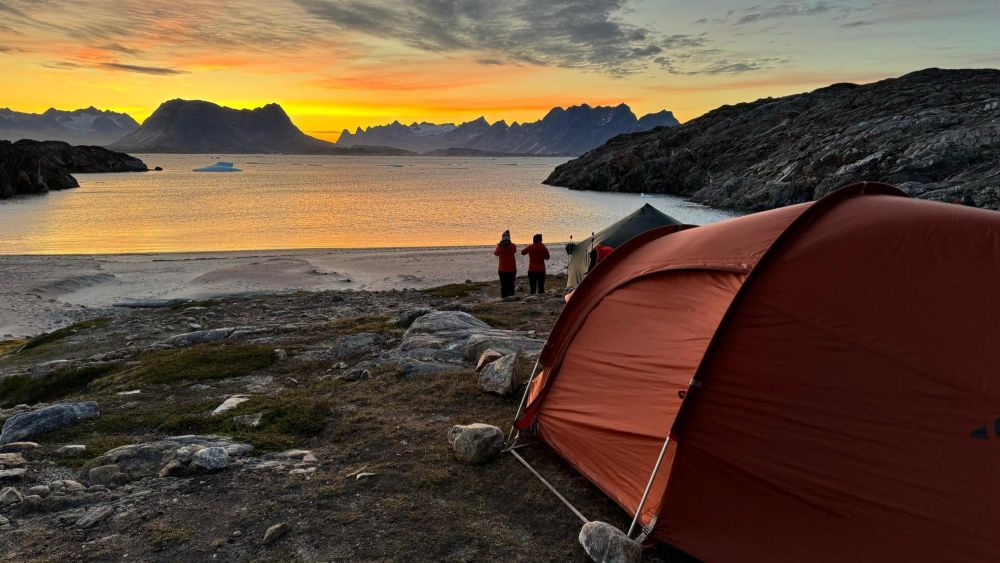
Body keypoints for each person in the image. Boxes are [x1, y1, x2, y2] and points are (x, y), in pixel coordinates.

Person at [494, 230, 517, 298]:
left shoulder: (500, 247)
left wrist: (500, 244)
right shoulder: (513, 246)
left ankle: (504, 297)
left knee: (503, 285)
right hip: (512, 269)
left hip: (502, 269)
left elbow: (495, 253)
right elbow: (514, 251)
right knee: (511, 284)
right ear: (509, 238)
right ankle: (511, 296)